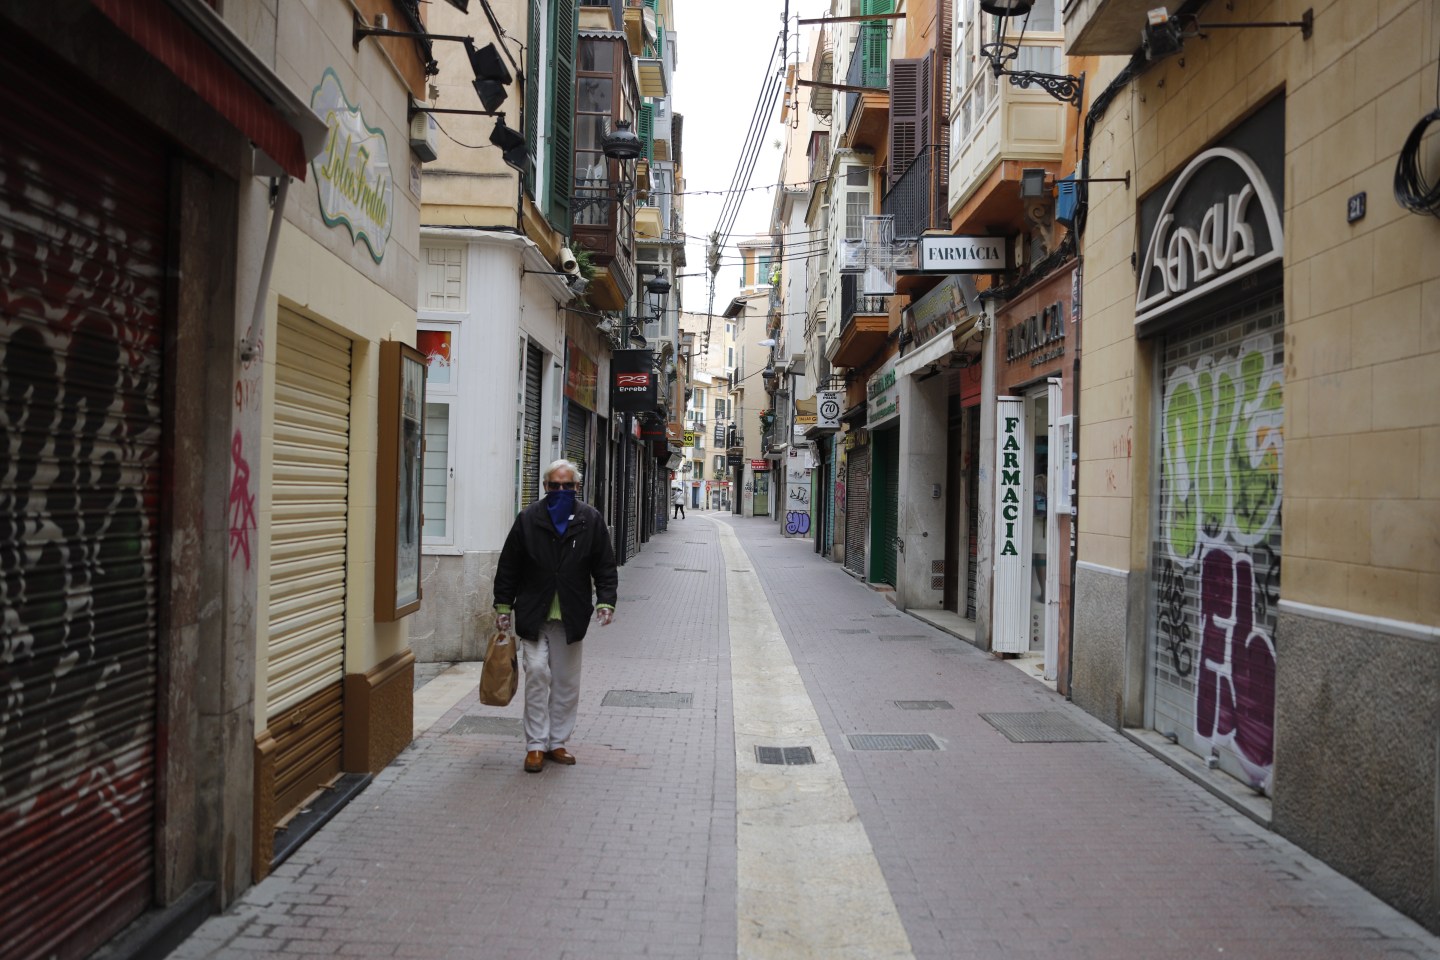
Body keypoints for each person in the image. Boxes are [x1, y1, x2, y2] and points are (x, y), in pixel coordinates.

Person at [493, 459, 617, 773]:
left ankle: (557, 742)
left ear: (577, 487)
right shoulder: (528, 518)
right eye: (554, 486)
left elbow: (604, 566)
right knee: (536, 673)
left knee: (565, 683)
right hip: (534, 613)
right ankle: (535, 745)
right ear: (545, 487)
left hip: (571, 615)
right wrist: (503, 607)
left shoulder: (590, 520)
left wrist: (606, 601)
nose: (560, 491)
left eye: (567, 486)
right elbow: (509, 565)